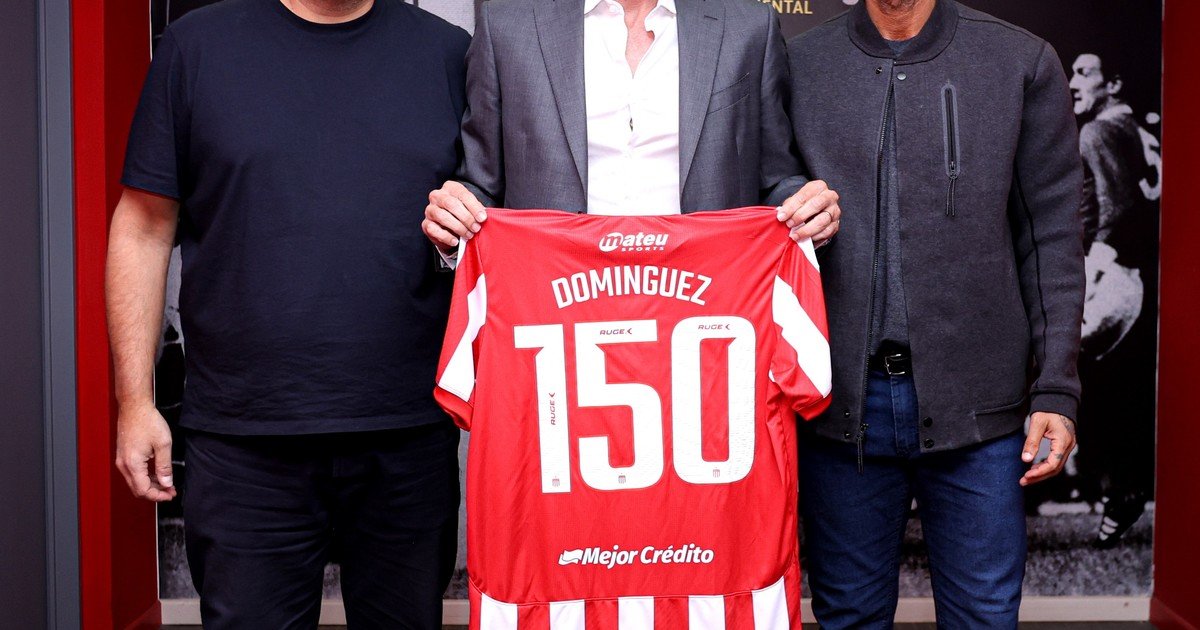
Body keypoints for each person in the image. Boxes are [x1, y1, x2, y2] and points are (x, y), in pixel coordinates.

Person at [107, 0, 468, 627]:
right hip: (244, 442)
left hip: (407, 434)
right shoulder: (197, 49)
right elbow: (142, 228)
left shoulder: (447, 54)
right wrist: (135, 401)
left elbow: (495, 222)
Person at [787, 0, 1084, 627]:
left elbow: (1052, 237)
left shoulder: (1019, 60)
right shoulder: (800, 63)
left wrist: (1056, 388)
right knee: (848, 616)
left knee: (983, 617)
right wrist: (789, 198)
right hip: (841, 410)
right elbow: (755, 194)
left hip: (981, 410)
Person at [421, 0, 842, 257]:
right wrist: (453, 218)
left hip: (705, 308)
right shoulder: (506, 26)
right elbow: (482, 186)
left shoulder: (748, 26)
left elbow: (776, 180)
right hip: (555, 311)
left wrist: (807, 209)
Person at [1069, 51, 1160, 548]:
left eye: (1085, 72)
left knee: (1069, 370)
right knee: (1118, 384)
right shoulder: (1137, 129)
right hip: (1142, 273)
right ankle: (1120, 482)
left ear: (1115, 83)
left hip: (1117, 271)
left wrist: (1095, 270)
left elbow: (1116, 206)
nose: (1073, 82)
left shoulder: (1098, 131)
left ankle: (1114, 483)